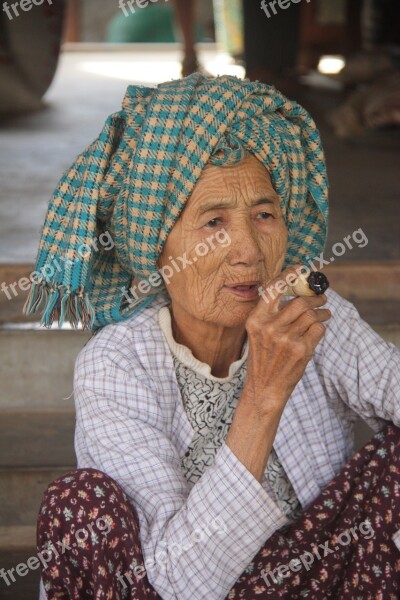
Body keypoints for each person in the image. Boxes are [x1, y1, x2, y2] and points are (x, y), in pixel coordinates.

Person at [26, 74, 400, 599]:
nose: (247, 249)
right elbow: (178, 582)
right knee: (77, 503)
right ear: (156, 247)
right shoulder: (116, 363)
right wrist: (264, 395)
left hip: (317, 583)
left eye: (264, 214)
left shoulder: (310, 317)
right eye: (213, 223)